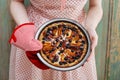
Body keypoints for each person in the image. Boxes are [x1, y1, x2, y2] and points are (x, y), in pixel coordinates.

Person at [9, 0, 103, 80]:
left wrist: (90, 27)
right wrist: (25, 28)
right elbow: (16, 1)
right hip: (35, 34)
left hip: (76, 38)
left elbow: (96, 6)